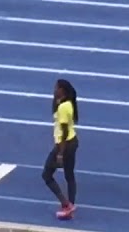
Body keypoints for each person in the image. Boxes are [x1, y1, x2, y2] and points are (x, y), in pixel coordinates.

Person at [42, 78, 79, 220]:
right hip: (73, 141)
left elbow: (63, 132)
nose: (54, 90)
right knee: (69, 175)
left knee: (46, 174)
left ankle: (66, 204)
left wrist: (60, 154)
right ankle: (71, 205)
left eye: (56, 88)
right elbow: (54, 113)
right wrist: (55, 98)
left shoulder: (63, 108)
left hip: (64, 145)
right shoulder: (67, 104)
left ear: (62, 90)